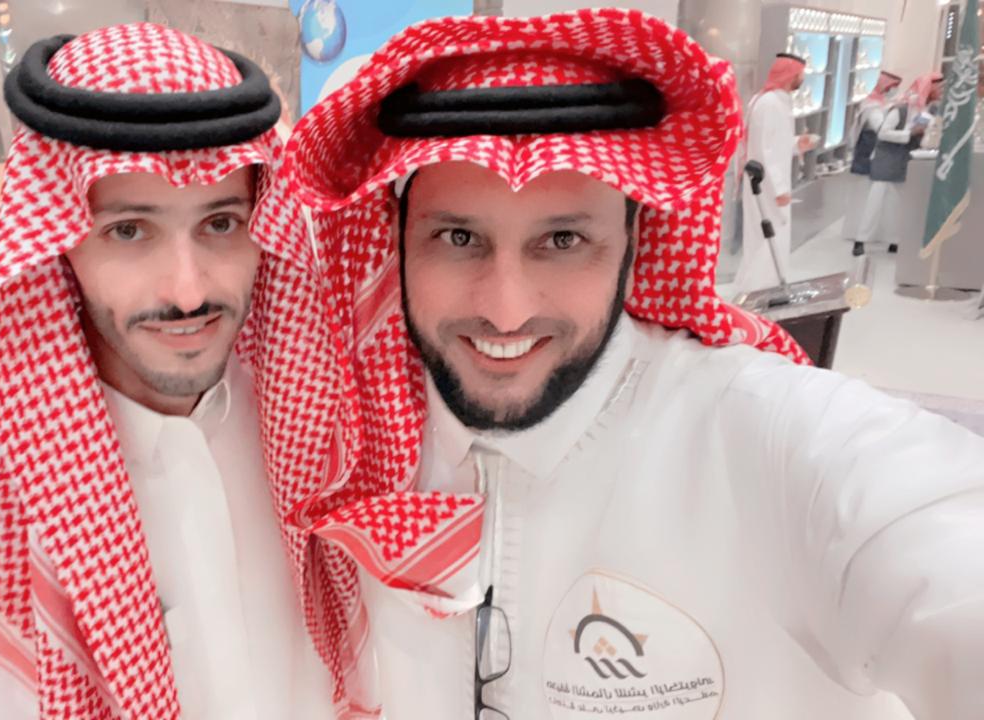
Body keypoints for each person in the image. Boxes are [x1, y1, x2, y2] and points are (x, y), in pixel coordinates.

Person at [282, 10, 984, 719]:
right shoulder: (349, 445)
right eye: (459, 238)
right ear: (396, 239)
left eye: (562, 241)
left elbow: (938, 548)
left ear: (634, 240)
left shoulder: (767, 436)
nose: (506, 310)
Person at [0, 25, 335, 719]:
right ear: (58, 243)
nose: (188, 292)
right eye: (129, 230)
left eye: (220, 223)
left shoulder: (315, 420)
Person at [733, 53, 814, 296]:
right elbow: (764, 151)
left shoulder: (776, 101)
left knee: (770, 239)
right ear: (791, 75)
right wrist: (779, 189)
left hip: (767, 182)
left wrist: (797, 144)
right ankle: (757, 292)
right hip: (765, 186)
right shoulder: (769, 104)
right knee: (767, 238)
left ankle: (764, 289)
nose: (802, 78)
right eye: (801, 74)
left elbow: (775, 143)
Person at [856, 72, 945, 255]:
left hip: (905, 160)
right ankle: (861, 240)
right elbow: (883, 133)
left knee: (896, 204)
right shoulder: (901, 109)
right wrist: (910, 133)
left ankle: (894, 240)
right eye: (939, 87)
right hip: (887, 160)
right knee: (875, 203)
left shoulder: (928, 110)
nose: (941, 91)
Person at [845, 70, 903, 256]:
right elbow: (880, 128)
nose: (894, 91)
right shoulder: (871, 106)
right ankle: (860, 235)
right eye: (892, 87)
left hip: (881, 157)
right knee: (868, 198)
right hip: (869, 155)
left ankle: (881, 235)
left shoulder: (883, 104)